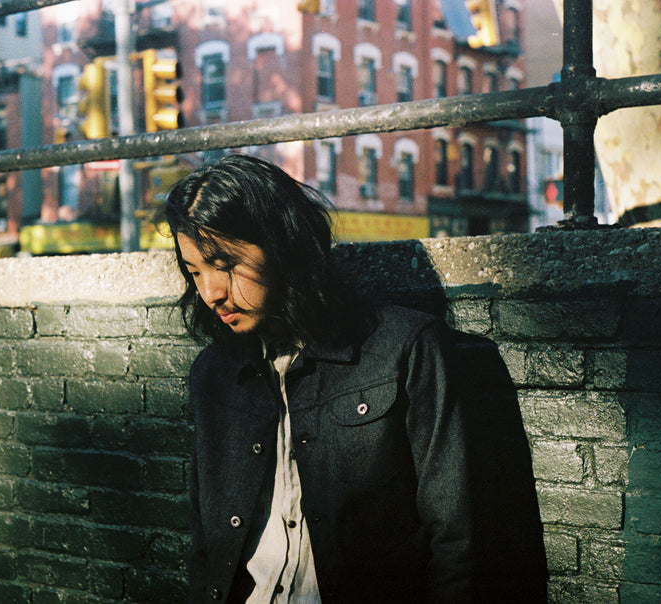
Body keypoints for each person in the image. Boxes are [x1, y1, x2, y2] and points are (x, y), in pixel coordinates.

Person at [165, 154, 546, 603]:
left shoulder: (406, 348)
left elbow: (462, 538)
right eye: (194, 272)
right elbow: (206, 547)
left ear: (284, 244)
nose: (210, 292)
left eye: (225, 264)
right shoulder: (214, 374)